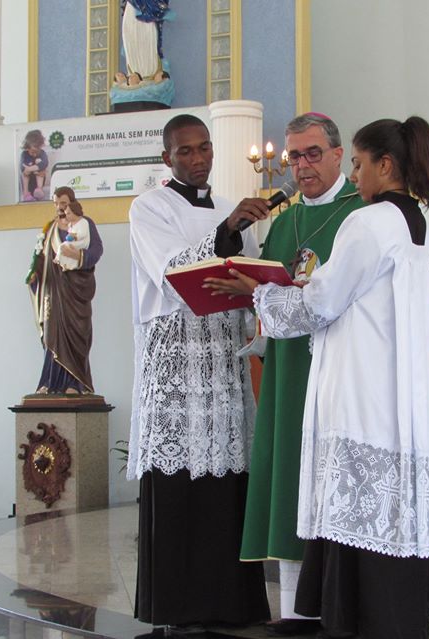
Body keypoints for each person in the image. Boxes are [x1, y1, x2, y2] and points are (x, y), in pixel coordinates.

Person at [206, 116, 429, 639]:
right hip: (402, 396)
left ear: (386, 165)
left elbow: (319, 303)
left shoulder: (367, 221)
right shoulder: (416, 222)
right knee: (391, 521)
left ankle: (355, 622)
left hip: (363, 394)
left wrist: (257, 292)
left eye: (359, 164)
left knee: (358, 517)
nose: (356, 176)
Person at [126, 113, 271, 632]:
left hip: (223, 364)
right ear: (166, 158)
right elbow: (173, 271)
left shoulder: (231, 206)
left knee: (225, 487)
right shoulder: (149, 208)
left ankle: (232, 606)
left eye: (204, 147)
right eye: (184, 151)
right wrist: (227, 231)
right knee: (180, 487)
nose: (197, 158)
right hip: (176, 364)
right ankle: (178, 610)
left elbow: (246, 279)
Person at [221, 113, 365, 636]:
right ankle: (298, 611)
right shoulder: (283, 224)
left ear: (337, 155)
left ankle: (345, 605)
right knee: (290, 478)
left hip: (341, 370)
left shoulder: (362, 216)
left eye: (312, 153)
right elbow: (268, 297)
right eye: (294, 156)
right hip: (287, 372)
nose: (302, 166)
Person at [27, 187, 103, 395]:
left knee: (76, 333)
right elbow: (41, 258)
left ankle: (75, 383)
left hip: (75, 291)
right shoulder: (49, 229)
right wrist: (34, 274)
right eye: (56, 203)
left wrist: (79, 257)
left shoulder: (84, 223)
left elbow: (97, 250)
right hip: (53, 291)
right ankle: (49, 382)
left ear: (72, 202)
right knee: (52, 335)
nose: (59, 207)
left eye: (63, 203)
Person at [20, 129, 49, 202]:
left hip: (38, 177)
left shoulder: (42, 153)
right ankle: (26, 193)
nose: (35, 154)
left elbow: (45, 163)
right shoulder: (24, 154)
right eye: (32, 152)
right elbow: (22, 167)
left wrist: (31, 168)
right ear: (27, 148)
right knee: (25, 173)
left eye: (37, 152)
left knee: (40, 166)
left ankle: (39, 189)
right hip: (29, 179)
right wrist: (27, 170)